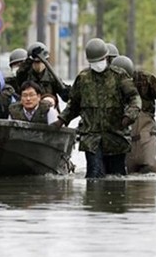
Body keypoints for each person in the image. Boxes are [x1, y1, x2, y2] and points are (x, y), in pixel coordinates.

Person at [52, 38, 141, 178]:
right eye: (93, 62)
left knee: (116, 177)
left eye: (99, 60)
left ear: (106, 58)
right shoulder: (83, 78)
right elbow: (74, 104)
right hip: (91, 138)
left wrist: (130, 115)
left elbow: (134, 98)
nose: (97, 65)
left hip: (116, 135)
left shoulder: (119, 76)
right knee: (94, 176)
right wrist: (61, 120)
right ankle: (92, 199)